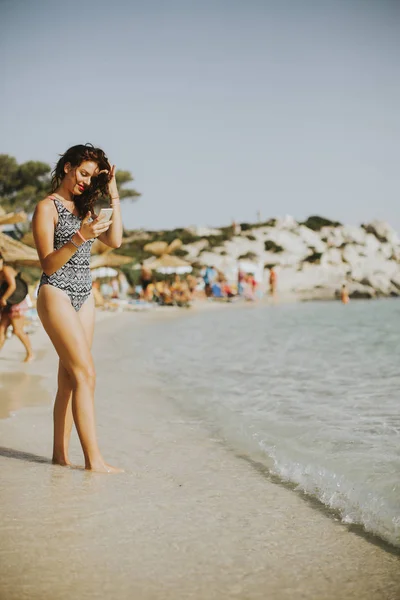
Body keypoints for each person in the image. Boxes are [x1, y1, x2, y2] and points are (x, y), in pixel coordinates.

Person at [32, 143, 123, 473]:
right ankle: (94, 461)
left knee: (70, 380)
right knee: (86, 374)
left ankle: (60, 456)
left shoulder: (87, 208)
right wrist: (79, 237)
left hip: (85, 295)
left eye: (92, 177)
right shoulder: (47, 208)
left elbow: (115, 242)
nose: (85, 181)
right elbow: (48, 264)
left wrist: (112, 194)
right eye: (82, 173)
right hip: (55, 292)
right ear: (68, 167)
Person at [0, 252, 34, 362]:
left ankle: (30, 353)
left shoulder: (5, 269)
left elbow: (13, 285)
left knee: (17, 330)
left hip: (17, 303)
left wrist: (4, 298)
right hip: (8, 304)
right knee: (1, 330)